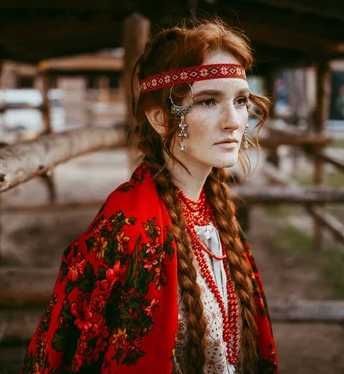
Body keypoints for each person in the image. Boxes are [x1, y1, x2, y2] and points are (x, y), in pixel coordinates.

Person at [21, 19, 278, 374]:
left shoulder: (214, 209)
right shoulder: (131, 227)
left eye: (240, 101)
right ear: (160, 118)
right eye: (207, 101)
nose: (234, 121)